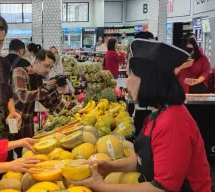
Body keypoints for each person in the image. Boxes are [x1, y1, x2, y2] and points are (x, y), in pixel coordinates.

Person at [70, 39, 212, 192]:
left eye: (131, 74)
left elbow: (162, 188)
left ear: (148, 81)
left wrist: (103, 187)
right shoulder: (159, 113)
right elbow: (144, 159)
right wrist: (110, 166)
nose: (127, 83)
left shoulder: (173, 123)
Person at [12, 49, 68, 156]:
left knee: (26, 153)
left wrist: (57, 92)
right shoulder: (20, 72)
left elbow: (48, 103)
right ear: (36, 62)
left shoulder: (39, 80)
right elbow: (23, 96)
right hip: (13, 121)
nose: (48, 70)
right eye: (46, 66)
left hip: (27, 123)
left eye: (50, 68)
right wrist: (46, 89)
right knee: (10, 152)